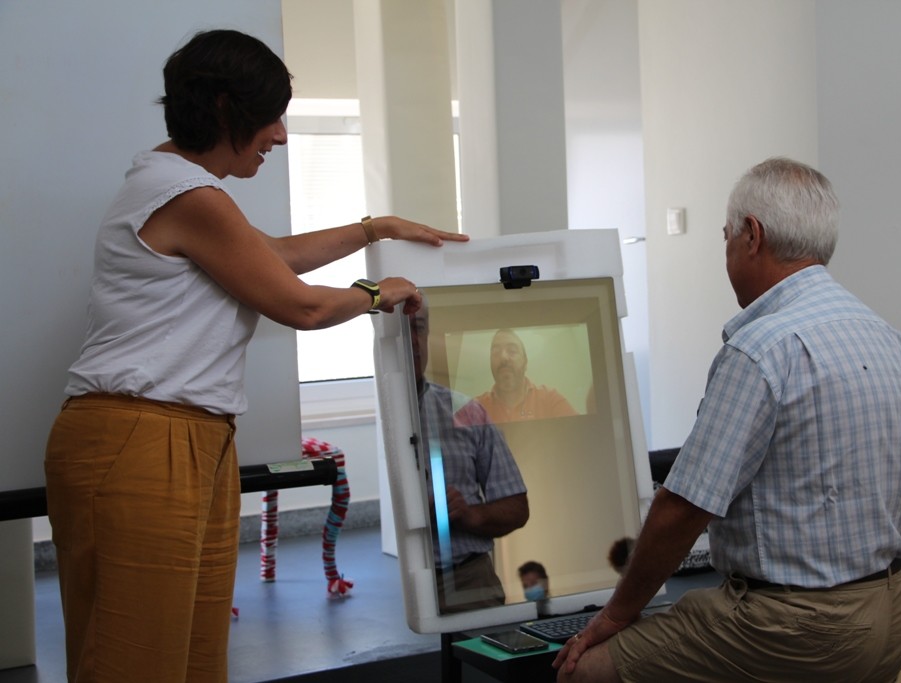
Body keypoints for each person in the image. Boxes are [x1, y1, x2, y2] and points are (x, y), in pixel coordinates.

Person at [43, 29, 467, 683]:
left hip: (190, 440)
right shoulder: (186, 195)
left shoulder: (185, 190)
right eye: (270, 117)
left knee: (193, 662)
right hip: (138, 438)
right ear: (222, 109)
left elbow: (276, 255)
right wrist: (379, 291)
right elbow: (298, 304)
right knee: (134, 664)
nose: (281, 135)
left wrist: (375, 228)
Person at [554, 157, 901, 683]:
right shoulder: (894, 342)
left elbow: (682, 509)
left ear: (752, 236)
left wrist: (615, 616)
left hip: (799, 630)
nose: (726, 252)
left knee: (586, 671)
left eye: (726, 237)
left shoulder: (762, 349)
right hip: (895, 615)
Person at [410, 304, 530, 613]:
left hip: (464, 579)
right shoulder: (364, 421)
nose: (412, 340)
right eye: (402, 330)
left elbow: (516, 508)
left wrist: (466, 515)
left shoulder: (466, 411)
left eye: (418, 327)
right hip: (381, 587)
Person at [474, 328, 578, 422]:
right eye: (496, 352)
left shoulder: (550, 399)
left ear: (525, 362)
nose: (503, 357)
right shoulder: (475, 408)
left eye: (512, 351)